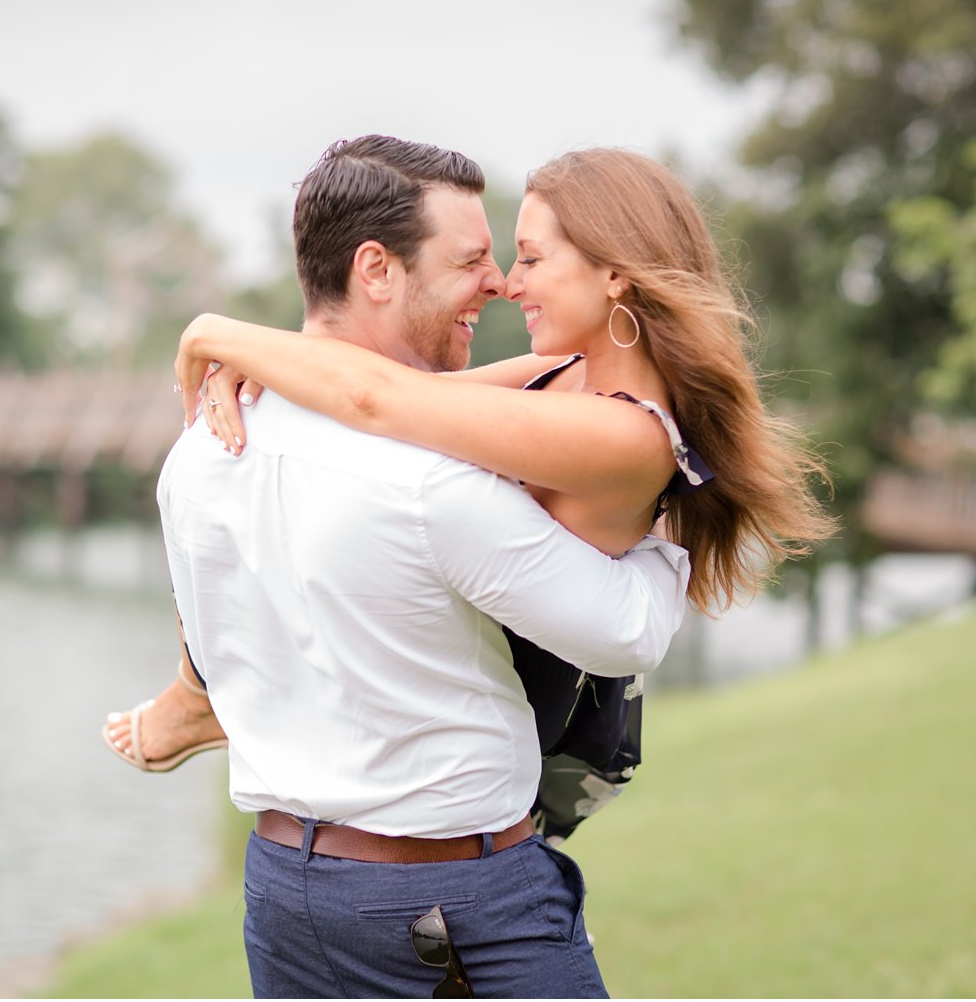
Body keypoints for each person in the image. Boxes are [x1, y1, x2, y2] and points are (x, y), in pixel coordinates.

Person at [106, 145, 834, 839]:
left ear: (615, 275)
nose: (511, 282)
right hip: (460, 668)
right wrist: (271, 363)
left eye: (533, 258)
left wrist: (218, 334)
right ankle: (200, 693)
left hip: (535, 716)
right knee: (259, 490)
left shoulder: (628, 433)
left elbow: (374, 400)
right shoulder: (566, 371)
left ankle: (200, 697)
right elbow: (413, 393)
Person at [131, 135, 701, 999]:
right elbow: (625, 632)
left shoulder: (197, 454)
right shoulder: (438, 486)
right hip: (451, 905)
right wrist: (667, 538)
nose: (499, 282)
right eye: (473, 259)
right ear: (378, 269)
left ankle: (192, 704)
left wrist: (235, 343)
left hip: (283, 888)